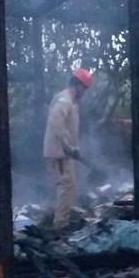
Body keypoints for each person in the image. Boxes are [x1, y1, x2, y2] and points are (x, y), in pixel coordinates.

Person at [43, 68, 93, 233]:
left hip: (63, 153)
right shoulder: (64, 100)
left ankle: (57, 220)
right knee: (67, 186)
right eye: (84, 88)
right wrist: (67, 147)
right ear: (78, 85)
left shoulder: (70, 101)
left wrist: (73, 148)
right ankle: (60, 226)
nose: (84, 92)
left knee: (66, 187)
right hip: (60, 153)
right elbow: (56, 123)